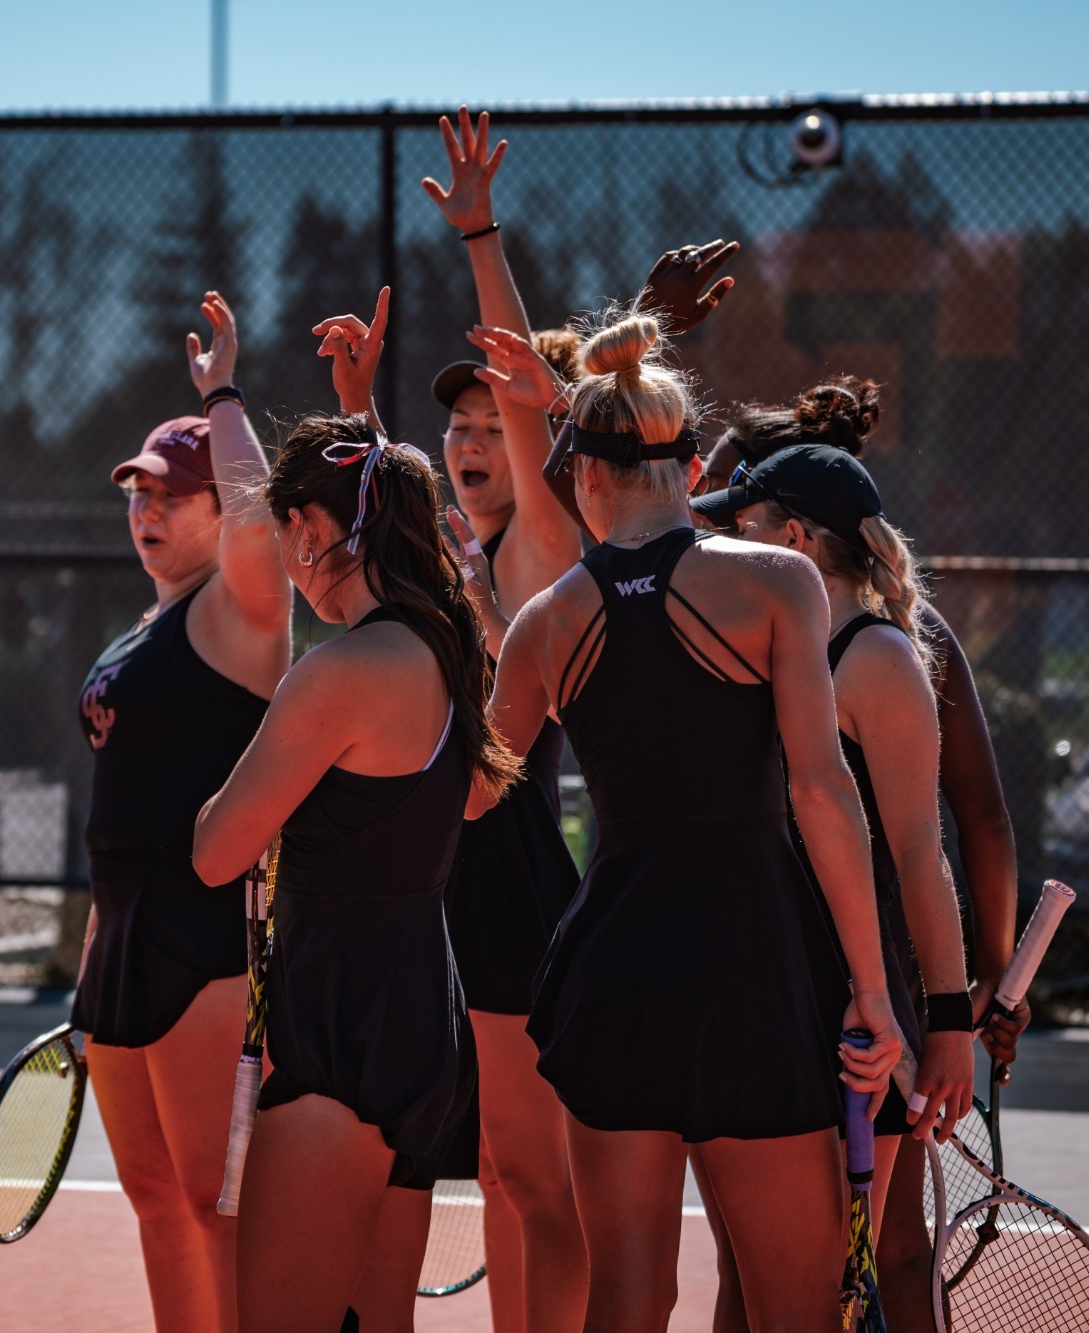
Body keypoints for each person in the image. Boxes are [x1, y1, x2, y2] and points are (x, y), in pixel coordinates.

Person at [478, 311, 902, 1332]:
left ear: (578, 474)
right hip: (748, 963)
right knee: (793, 1305)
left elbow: (470, 790)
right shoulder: (774, 582)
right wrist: (872, 990)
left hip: (611, 971)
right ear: (691, 464)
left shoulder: (541, 623)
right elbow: (818, 792)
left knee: (623, 1300)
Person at [690, 382, 1030, 1333]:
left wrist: (952, 1021)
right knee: (755, 1272)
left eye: (742, 524)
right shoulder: (763, 644)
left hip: (849, 1009)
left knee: (860, 1265)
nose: (721, 542)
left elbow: (927, 853)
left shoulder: (877, 658)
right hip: (762, 994)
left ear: (793, 541)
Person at [193, 356, 519, 1329]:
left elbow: (215, 849)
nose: (287, 559)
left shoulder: (337, 672)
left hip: (336, 1014)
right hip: (421, 1015)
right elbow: (461, 804)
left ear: (313, 529)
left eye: (288, 532)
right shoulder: (443, 655)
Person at [72, 291, 288, 1332]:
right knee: (155, 1201)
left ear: (217, 509)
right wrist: (88, 947)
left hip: (207, 936)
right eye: (136, 496)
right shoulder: (144, 626)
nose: (146, 512)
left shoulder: (240, 610)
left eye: (169, 495)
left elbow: (264, 525)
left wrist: (224, 396)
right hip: (120, 937)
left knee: (215, 1205)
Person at [417, 107, 587, 1333]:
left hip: (509, 872)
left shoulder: (537, 549)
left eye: (491, 426)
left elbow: (534, 428)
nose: (473, 441)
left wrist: (478, 233)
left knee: (534, 1176)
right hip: (423, 866)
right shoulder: (446, 548)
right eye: (455, 425)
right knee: (483, 1175)